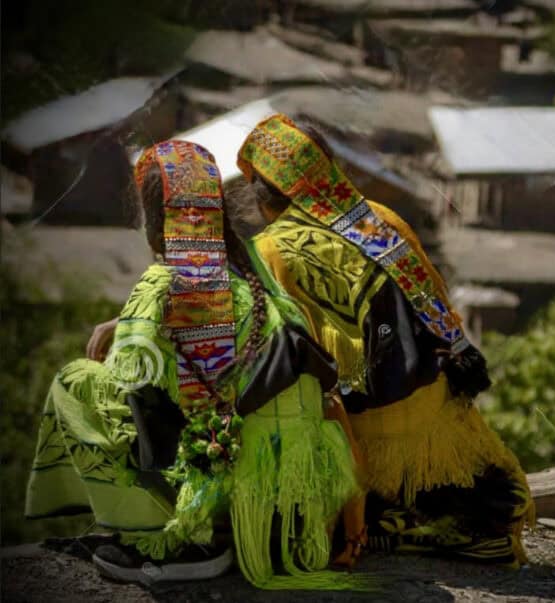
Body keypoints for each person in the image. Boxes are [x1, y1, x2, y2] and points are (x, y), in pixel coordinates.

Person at [26, 140, 364, 588]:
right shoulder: (255, 274)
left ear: (154, 226)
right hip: (291, 513)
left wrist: (133, 325)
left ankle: (169, 543)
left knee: (78, 383)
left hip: (221, 503)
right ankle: (221, 526)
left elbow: (132, 386)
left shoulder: (161, 285)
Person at [233, 114, 535, 565]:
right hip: (428, 415)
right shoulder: (381, 218)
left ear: (262, 196)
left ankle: (378, 515)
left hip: (350, 430)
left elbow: (274, 352)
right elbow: (438, 306)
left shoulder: (268, 251)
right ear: (327, 171)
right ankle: (446, 520)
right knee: (476, 485)